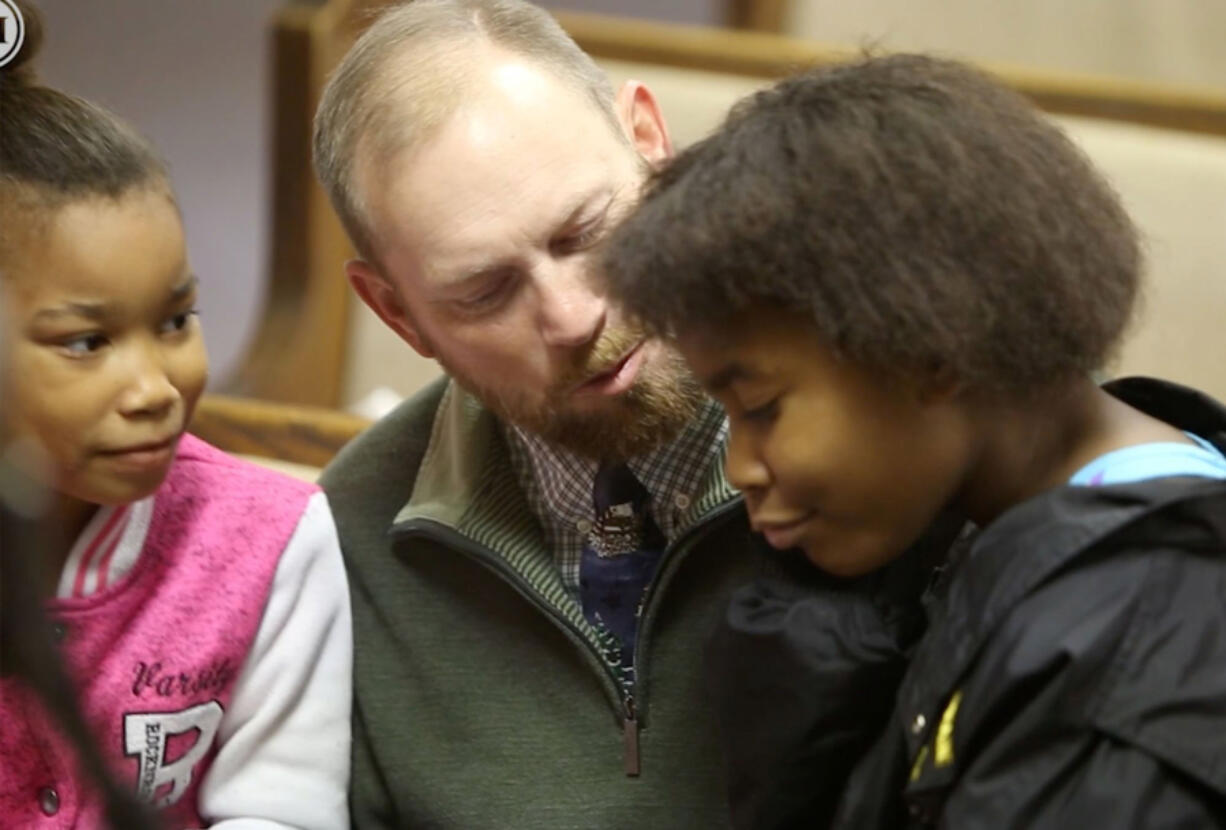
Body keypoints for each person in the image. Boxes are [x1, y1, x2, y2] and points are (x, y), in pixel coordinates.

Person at [312, 1, 951, 826]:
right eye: (485, 292)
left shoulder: (908, 421)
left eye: (585, 233)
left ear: (649, 142)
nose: (572, 316)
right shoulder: (343, 549)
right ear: (398, 314)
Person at [599, 53, 1226, 827]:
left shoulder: (1129, 672)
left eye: (759, 407)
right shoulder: (994, 536)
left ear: (930, 352)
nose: (739, 468)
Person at [0, 5, 352, 826]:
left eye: (174, 321)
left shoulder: (270, 545)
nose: (155, 386)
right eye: (87, 341)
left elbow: (284, 809)